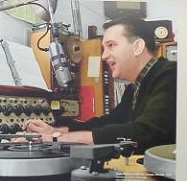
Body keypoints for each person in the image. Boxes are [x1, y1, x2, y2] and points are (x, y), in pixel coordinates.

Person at [24, 16, 175, 152]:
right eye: (104, 48)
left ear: (137, 46)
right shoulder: (134, 88)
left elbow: (145, 133)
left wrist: (57, 139)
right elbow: (107, 123)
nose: (104, 56)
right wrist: (56, 131)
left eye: (111, 45)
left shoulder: (170, 75)